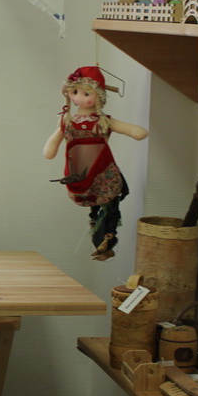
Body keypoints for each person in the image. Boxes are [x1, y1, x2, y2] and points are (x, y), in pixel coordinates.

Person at [44, 66, 148, 260]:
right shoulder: (67, 121)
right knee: (95, 209)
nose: (79, 98)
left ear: (98, 96)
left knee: (108, 208)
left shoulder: (103, 121)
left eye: (86, 93)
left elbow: (138, 133)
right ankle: (101, 240)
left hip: (103, 172)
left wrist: (136, 131)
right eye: (75, 92)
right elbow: (51, 147)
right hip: (79, 174)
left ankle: (105, 242)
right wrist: (51, 148)